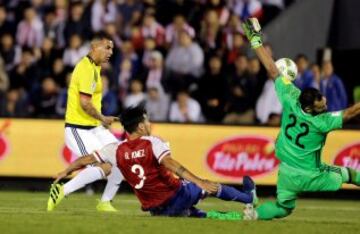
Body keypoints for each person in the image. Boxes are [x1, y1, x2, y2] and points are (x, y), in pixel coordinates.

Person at [241, 18, 360, 220]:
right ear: (309, 108)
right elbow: (351, 112)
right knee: (349, 174)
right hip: (311, 174)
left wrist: (255, 41)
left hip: (287, 170)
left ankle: (252, 215)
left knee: (283, 208)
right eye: (322, 106)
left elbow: (271, 68)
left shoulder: (290, 98)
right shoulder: (322, 122)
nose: (326, 107)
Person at [49, 105, 257, 219]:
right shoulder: (151, 142)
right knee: (209, 186)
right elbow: (171, 164)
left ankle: (233, 218)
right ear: (140, 127)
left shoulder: (115, 149)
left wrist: (65, 171)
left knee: (192, 214)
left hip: (155, 210)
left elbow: (86, 159)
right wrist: (199, 182)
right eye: (146, 120)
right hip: (176, 196)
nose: (149, 124)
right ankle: (248, 199)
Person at [47, 34, 123, 212]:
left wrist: (101, 120)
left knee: (122, 158)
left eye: (112, 48)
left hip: (94, 127)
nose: (110, 52)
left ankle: (105, 202)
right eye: (106, 47)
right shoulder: (86, 69)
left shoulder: (95, 67)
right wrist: (104, 118)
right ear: (94, 46)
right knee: (103, 166)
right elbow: (85, 103)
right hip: (78, 130)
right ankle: (62, 190)